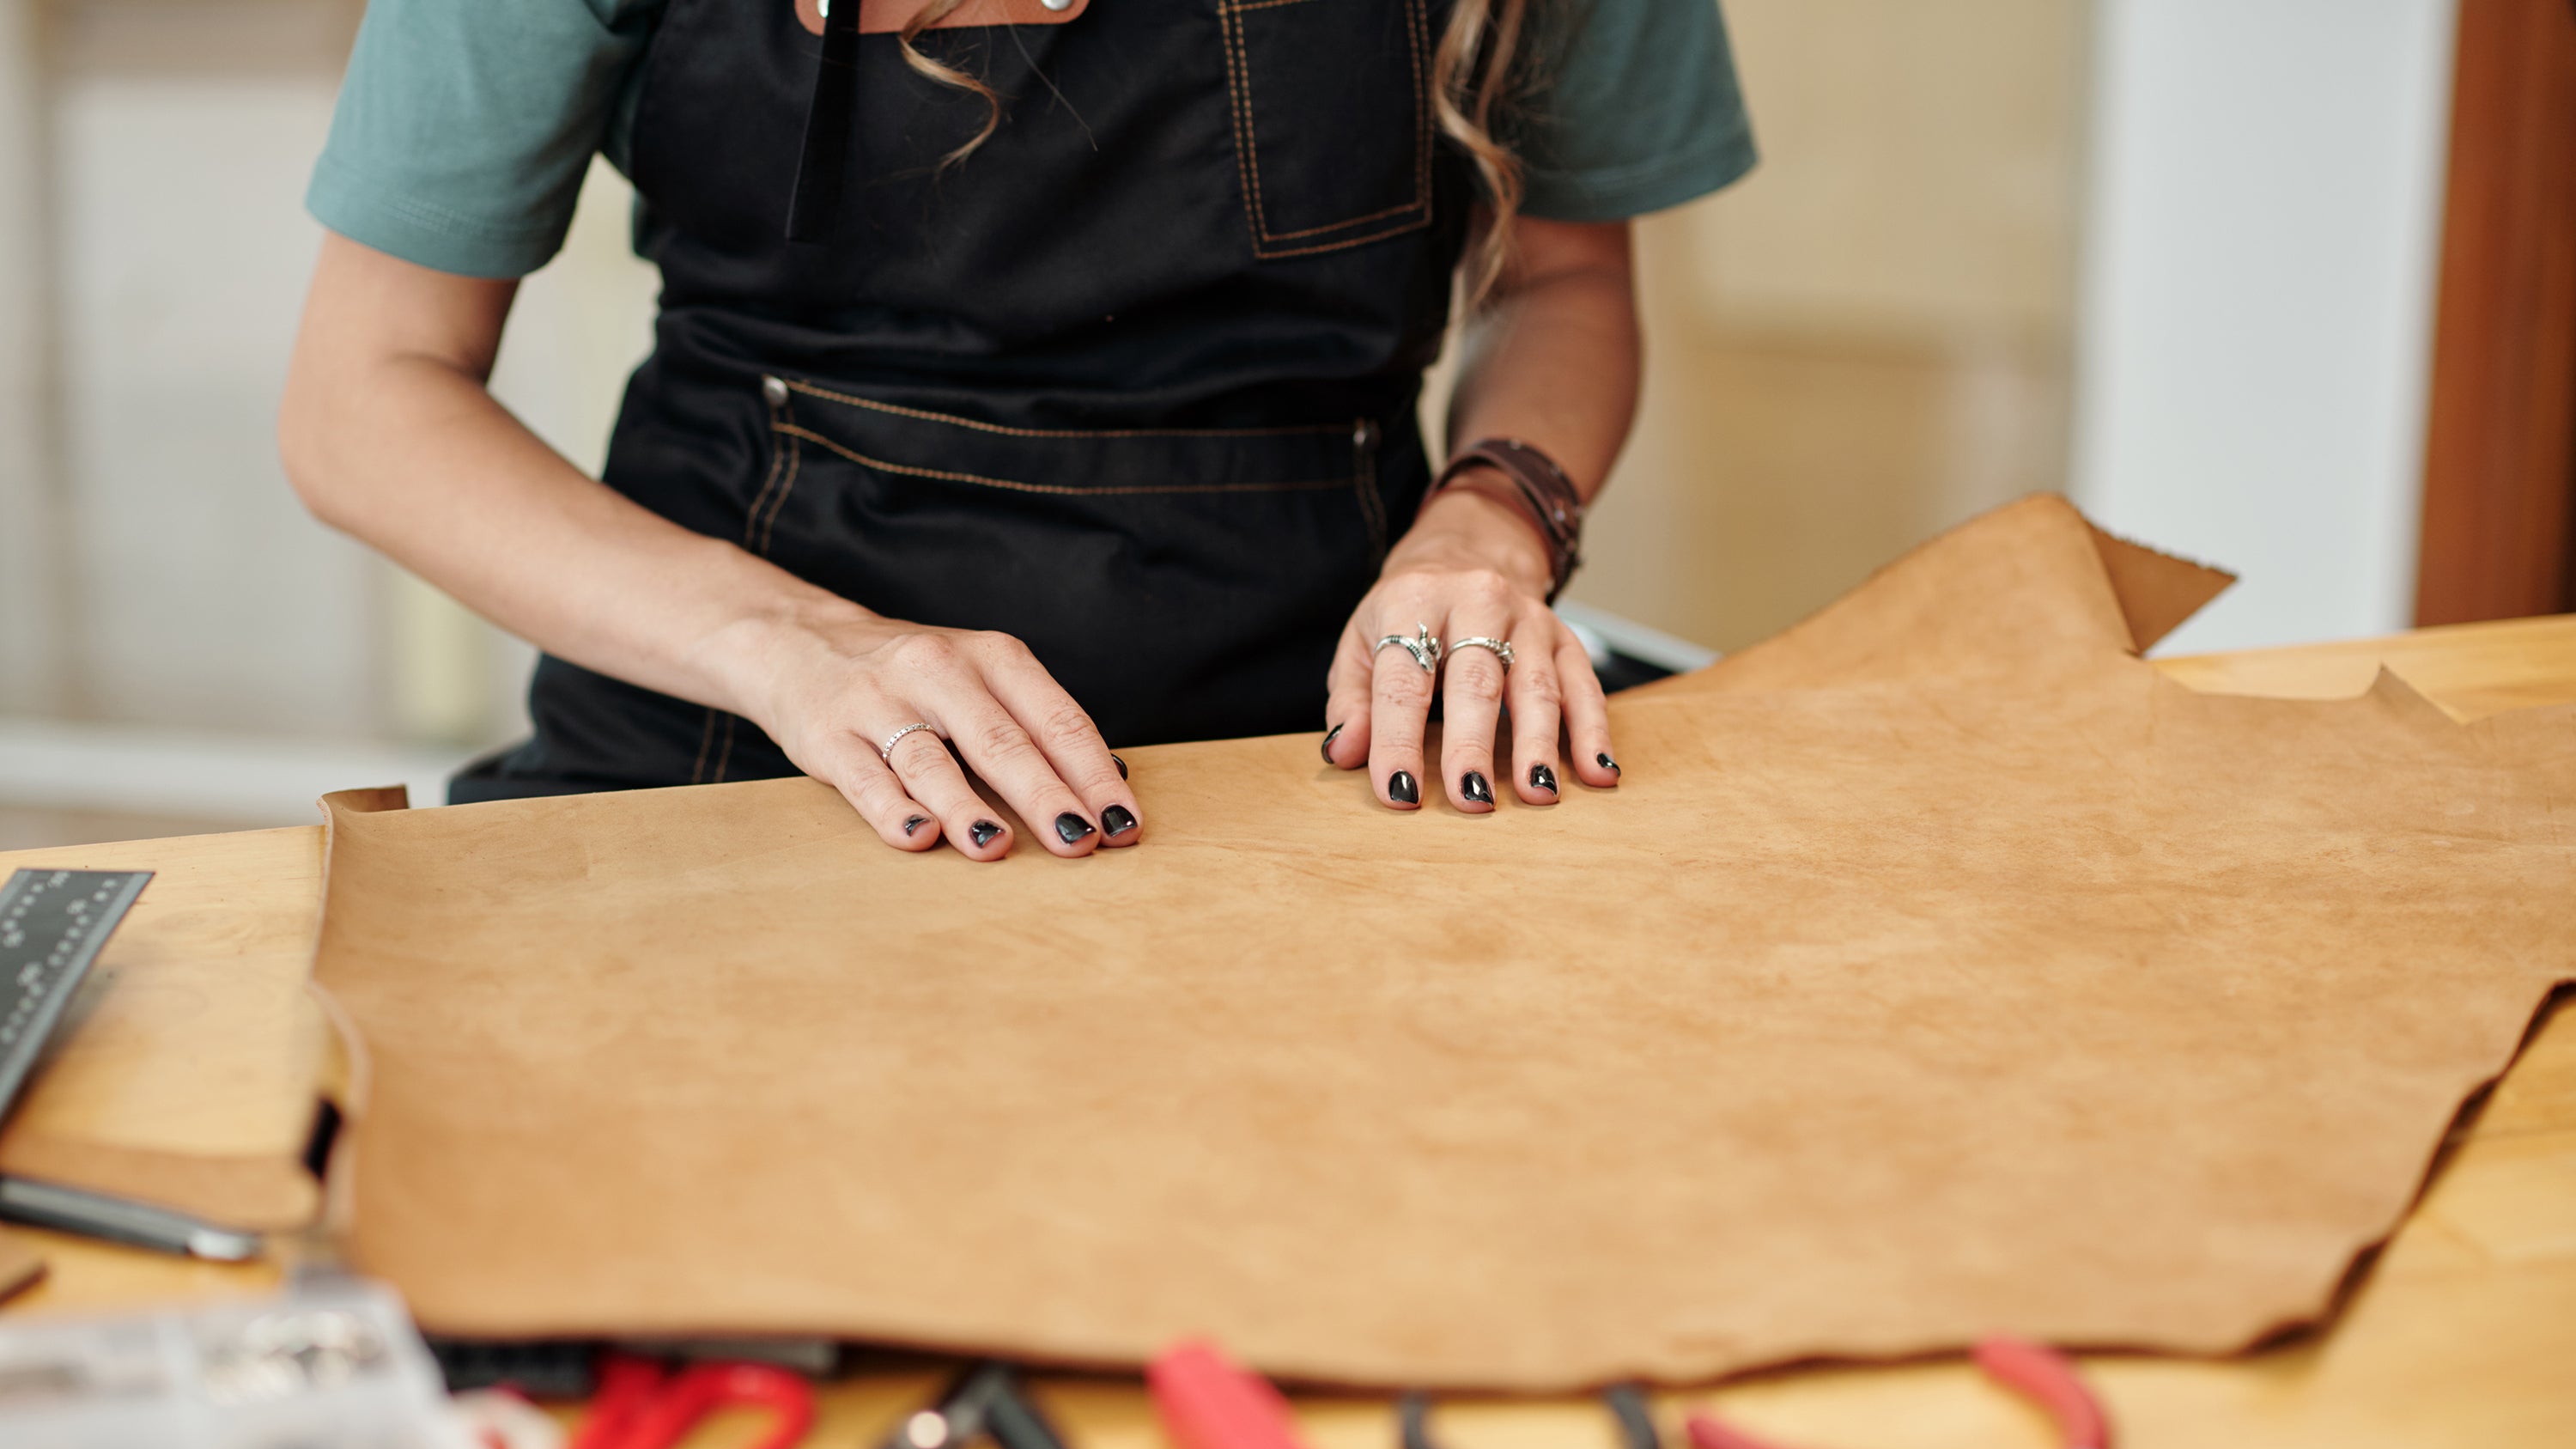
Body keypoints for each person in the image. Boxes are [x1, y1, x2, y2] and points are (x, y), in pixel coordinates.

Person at [281, 0, 1753, 859]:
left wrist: (1492, 519)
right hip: (737, 760)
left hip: (1330, 764)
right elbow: (368, 398)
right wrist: (789, 648)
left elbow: (1562, 277)